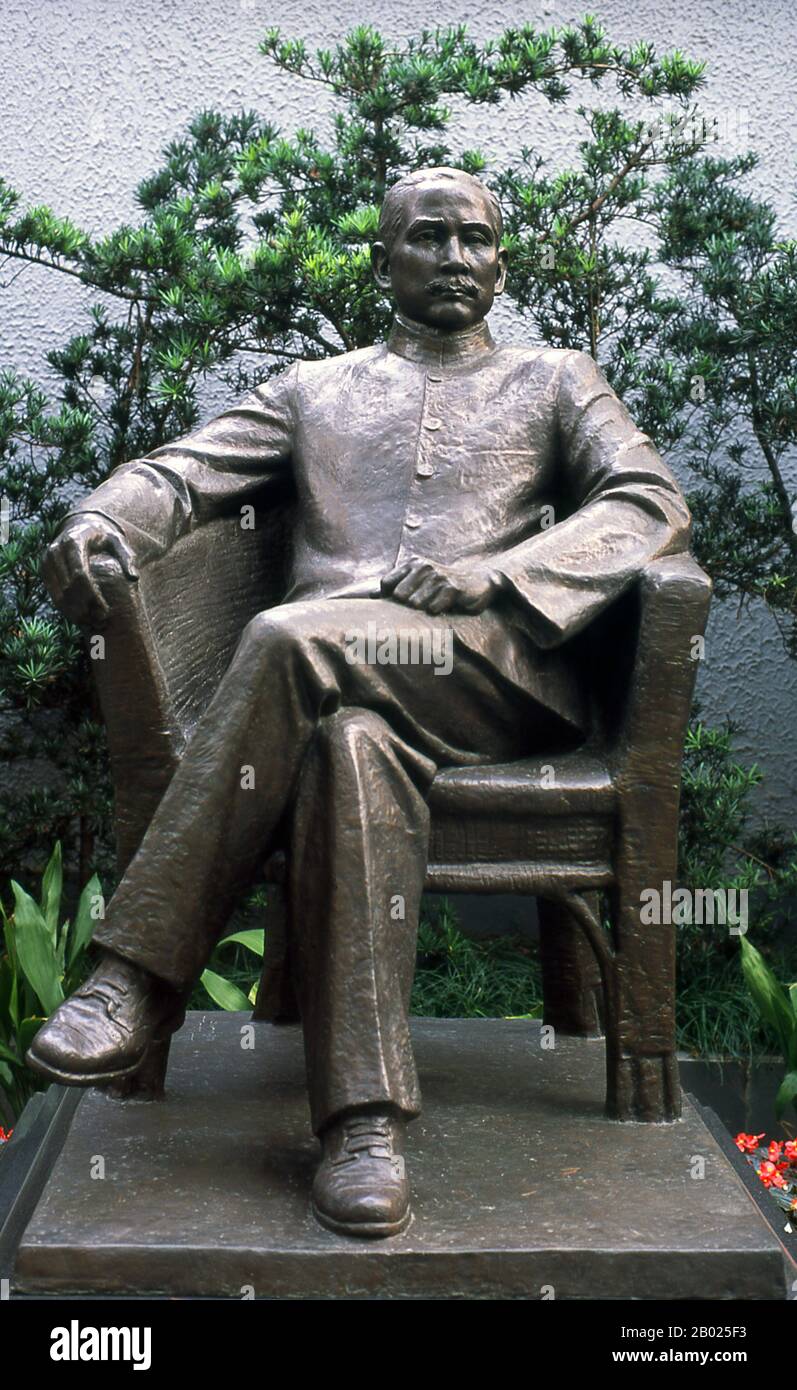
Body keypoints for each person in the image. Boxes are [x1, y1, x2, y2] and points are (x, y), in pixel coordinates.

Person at [28, 167, 691, 1238]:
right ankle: (363, 1124)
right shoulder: (313, 390)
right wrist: (103, 523)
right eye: (427, 239)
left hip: (494, 674)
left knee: (291, 638)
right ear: (382, 261)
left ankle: (136, 973)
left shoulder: (555, 378)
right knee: (348, 749)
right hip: (331, 685)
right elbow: (180, 477)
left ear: (501, 261)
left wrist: (501, 575)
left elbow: (649, 504)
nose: (454, 259)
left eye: (475, 240)